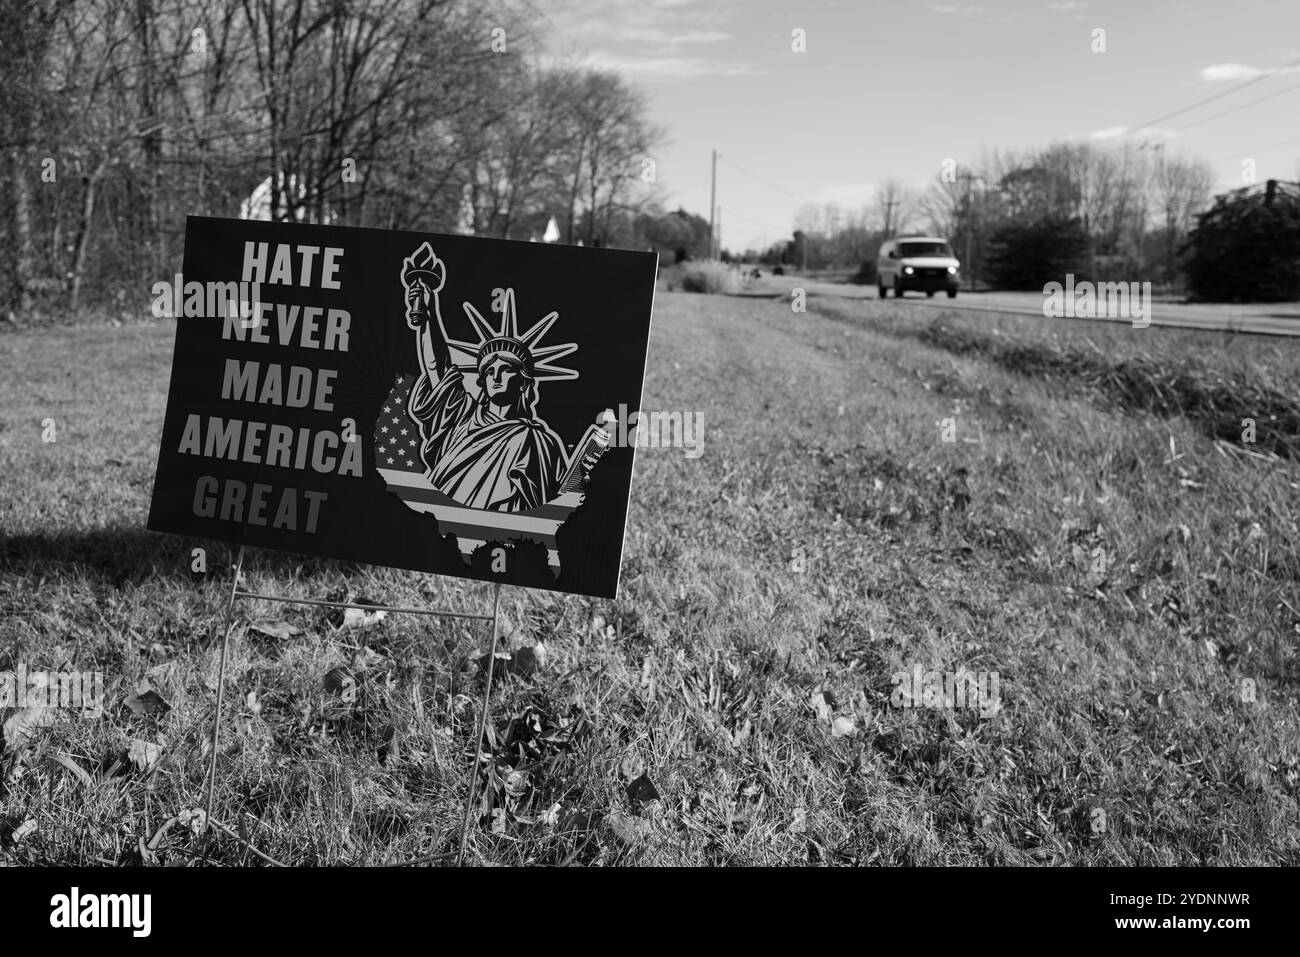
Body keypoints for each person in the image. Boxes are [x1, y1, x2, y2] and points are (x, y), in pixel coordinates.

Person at [401, 247, 571, 512]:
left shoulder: (539, 441)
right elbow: (436, 366)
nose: (495, 376)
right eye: (489, 372)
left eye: (506, 370)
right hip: (443, 522)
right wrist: (426, 313)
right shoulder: (462, 415)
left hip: (509, 536)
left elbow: (559, 501)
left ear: (524, 382)